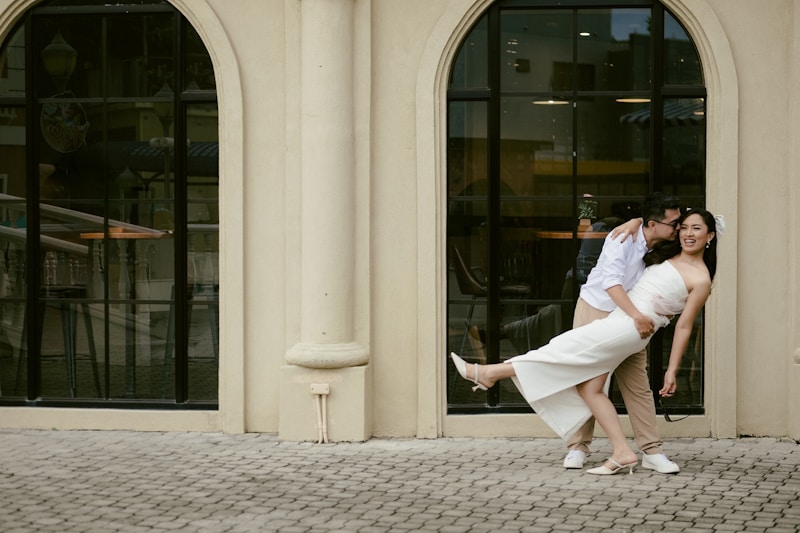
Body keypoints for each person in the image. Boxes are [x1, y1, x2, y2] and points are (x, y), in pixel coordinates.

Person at [451, 208, 719, 475]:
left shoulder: (701, 278)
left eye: (695, 228)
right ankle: (622, 452)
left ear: (710, 235)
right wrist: (635, 220)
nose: (686, 233)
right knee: (590, 389)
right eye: (683, 227)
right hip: (618, 319)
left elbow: (683, 326)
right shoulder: (668, 250)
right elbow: (650, 226)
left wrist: (671, 370)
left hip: (629, 327)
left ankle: (488, 372)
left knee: (560, 352)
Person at [563, 192, 683, 474]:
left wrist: (638, 219)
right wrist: (638, 317)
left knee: (637, 384)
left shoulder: (665, 243)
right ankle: (578, 446)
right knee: (586, 381)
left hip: (630, 319)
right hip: (597, 310)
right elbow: (612, 283)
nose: (679, 228)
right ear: (653, 225)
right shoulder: (621, 238)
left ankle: (652, 451)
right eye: (674, 223)